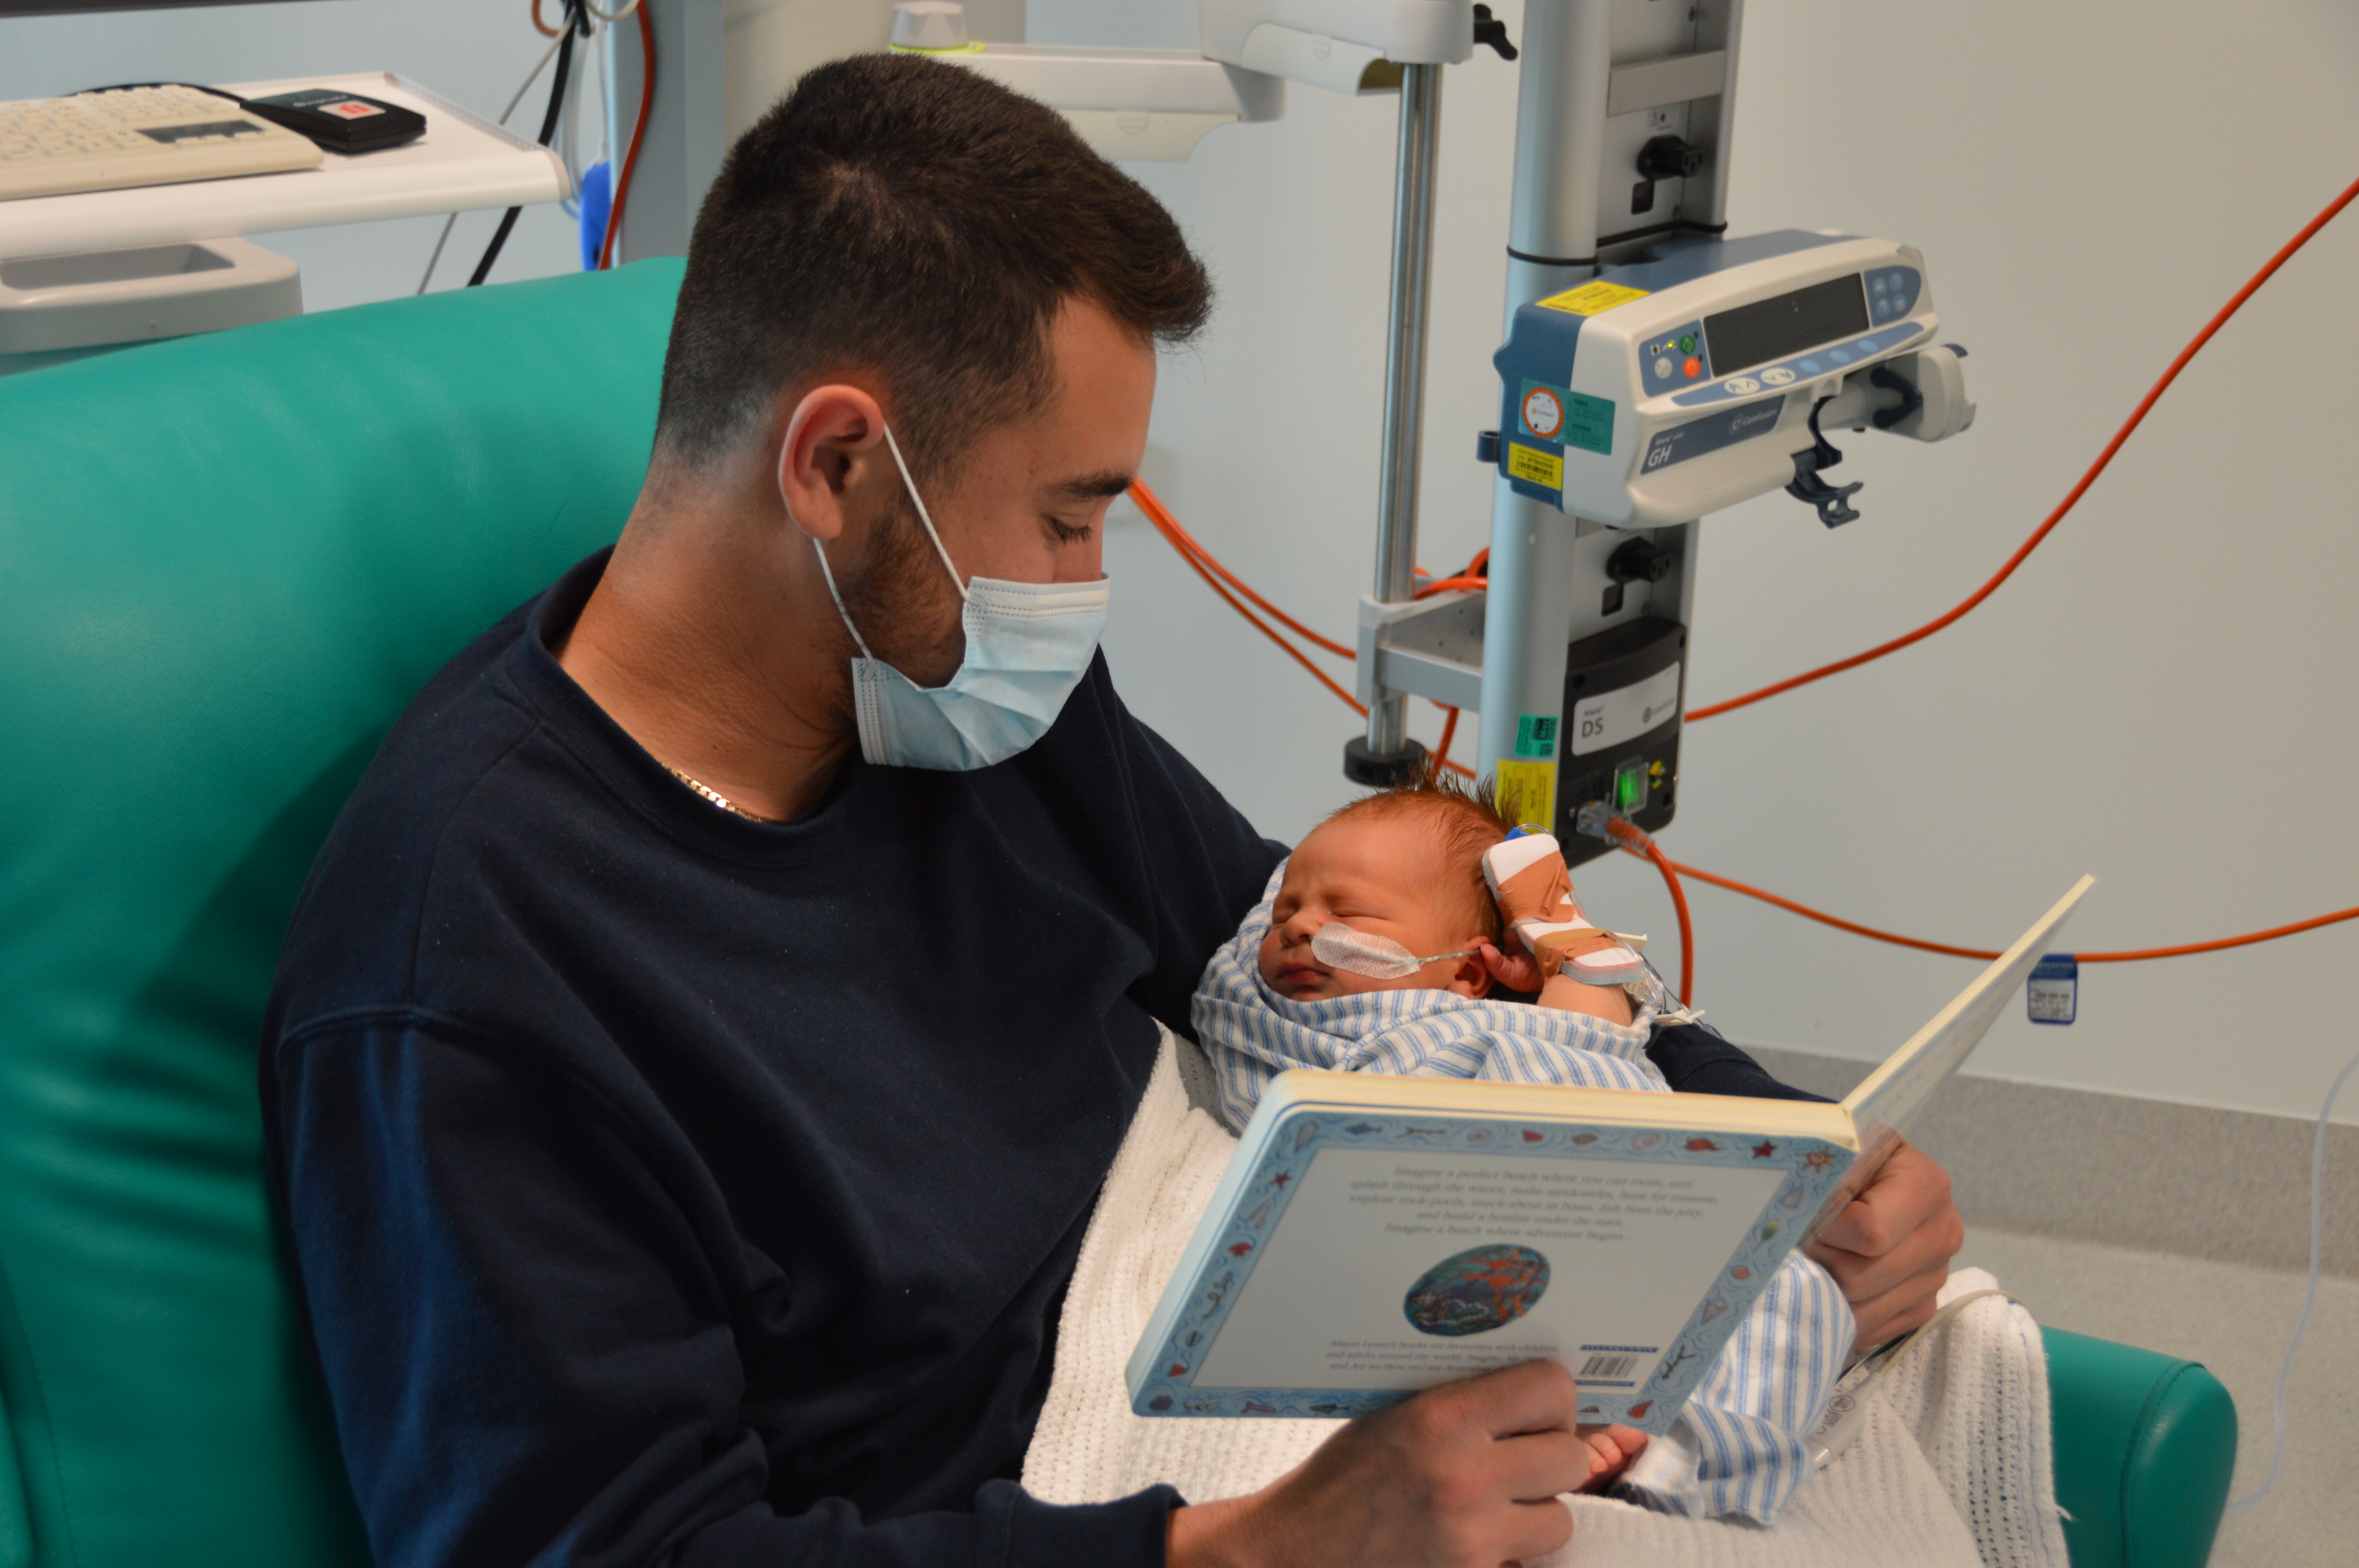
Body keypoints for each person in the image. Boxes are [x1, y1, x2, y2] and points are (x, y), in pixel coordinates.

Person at [261, 52, 1966, 1568]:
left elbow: (1291, 958)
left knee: (1908, 1370)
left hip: (1294, 1342)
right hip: (1123, 1500)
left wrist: (1758, 1155)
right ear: (838, 466)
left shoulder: (958, 701)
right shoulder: (467, 977)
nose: (1087, 591)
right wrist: (1242, 1548)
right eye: (1072, 519)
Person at [1194, 777, 1853, 1524]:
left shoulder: (1497, 1015)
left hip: (1625, 1186)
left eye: (1346, 913)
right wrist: (1286, 904)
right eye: (1290, 910)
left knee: (1798, 1294)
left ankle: (1704, 1455)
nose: (1300, 928)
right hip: (1480, 1214)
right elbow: (1246, 959)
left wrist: (1550, 925)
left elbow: (1593, 1025)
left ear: (1469, 970)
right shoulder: (1284, 1019)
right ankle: (1597, 1433)